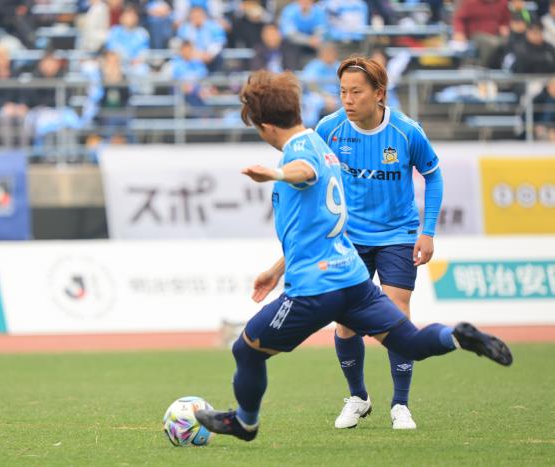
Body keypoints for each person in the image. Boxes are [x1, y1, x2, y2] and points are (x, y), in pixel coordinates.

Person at [194, 70, 512, 442]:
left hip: (316, 288)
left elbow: (304, 171)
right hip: (353, 280)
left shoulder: (300, 151)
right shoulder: (321, 139)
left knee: (246, 350)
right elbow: (316, 213)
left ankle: (245, 423)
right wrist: (277, 269)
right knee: (410, 342)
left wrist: (277, 174)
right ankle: (458, 336)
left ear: (265, 127)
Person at [313, 56, 444, 430]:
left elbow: (433, 176)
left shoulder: (406, 132)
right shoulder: (329, 129)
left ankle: (400, 404)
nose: (347, 100)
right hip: (349, 236)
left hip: (397, 234)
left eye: (356, 92)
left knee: (397, 313)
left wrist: (428, 232)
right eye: (343, 91)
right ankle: (358, 397)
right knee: (345, 320)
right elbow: (314, 177)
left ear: (379, 93)